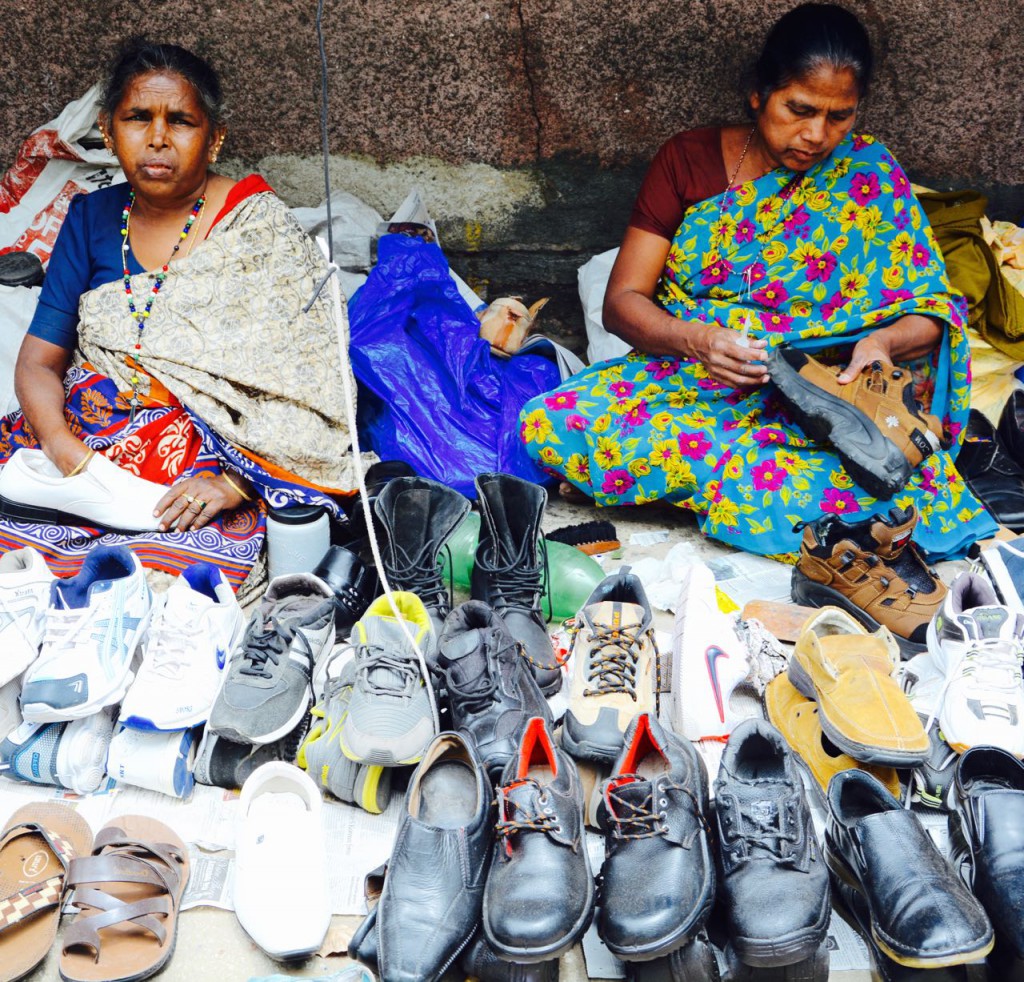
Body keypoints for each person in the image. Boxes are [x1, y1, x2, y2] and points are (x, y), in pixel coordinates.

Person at [520, 2, 996, 560]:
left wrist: (880, 343)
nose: (817, 134)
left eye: (839, 116)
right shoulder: (686, 160)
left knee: (886, 481)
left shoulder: (868, 173)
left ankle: (720, 488)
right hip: (694, 379)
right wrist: (699, 340)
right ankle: (782, 501)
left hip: (825, 395)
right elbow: (623, 303)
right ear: (757, 94)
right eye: (798, 109)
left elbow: (933, 312)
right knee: (553, 423)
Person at [0, 40, 360, 588]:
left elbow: (314, 388)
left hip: (209, 459)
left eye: (182, 121)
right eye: (138, 117)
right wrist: (67, 454)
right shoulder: (91, 216)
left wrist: (236, 484)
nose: (158, 138)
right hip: (87, 441)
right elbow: (37, 363)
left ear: (213, 138)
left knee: (183, 575)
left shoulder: (256, 228)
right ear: (107, 127)